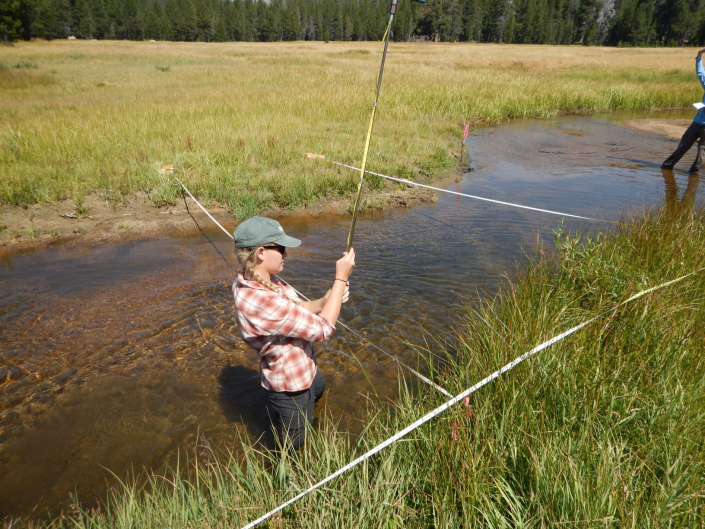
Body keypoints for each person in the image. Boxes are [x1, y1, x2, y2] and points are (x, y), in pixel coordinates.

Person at [231, 216, 355, 450]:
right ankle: (289, 475)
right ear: (260, 253)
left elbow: (294, 309)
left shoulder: (259, 278)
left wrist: (327, 300)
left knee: (318, 388)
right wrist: (340, 279)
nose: (286, 254)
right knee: (293, 443)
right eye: (281, 248)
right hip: (290, 384)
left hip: (305, 367)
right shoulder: (261, 299)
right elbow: (323, 329)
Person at [662, 46, 705, 173]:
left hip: (698, 123)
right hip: (697, 122)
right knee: (699, 149)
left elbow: (700, 73)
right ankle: (692, 173)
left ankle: (668, 166)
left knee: (689, 146)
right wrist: (699, 56)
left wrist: (699, 57)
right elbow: (701, 74)